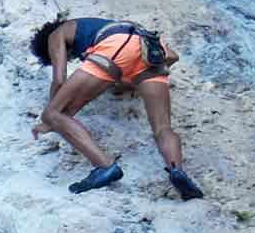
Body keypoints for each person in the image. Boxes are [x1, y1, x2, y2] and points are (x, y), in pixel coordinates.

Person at [30, 16, 203, 198]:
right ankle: (177, 171)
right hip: (150, 50)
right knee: (163, 127)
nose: (72, 58)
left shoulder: (56, 35)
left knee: (51, 114)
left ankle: (104, 166)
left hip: (117, 46)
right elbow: (172, 56)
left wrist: (51, 117)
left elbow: (59, 79)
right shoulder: (95, 25)